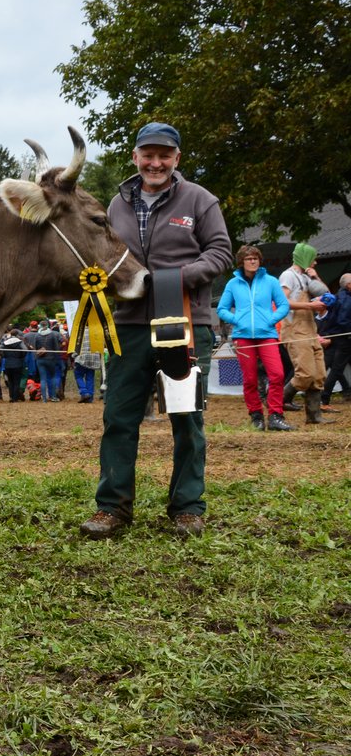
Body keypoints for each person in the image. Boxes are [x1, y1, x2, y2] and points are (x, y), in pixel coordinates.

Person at [81, 122, 232, 540]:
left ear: (177, 159)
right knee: (119, 418)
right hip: (128, 326)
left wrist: (175, 279)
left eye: (164, 155)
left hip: (185, 322)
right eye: (148, 154)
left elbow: (221, 252)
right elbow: (103, 253)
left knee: (186, 418)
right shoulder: (116, 204)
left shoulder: (199, 200)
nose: (155, 162)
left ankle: (186, 508)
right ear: (135, 157)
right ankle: (112, 508)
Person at [216, 245, 293, 431]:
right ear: (241, 262)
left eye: (255, 258)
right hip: (243, 337)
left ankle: (276, 415)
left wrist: (271, 320)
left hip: (267, 335)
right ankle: (256, 416)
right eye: (249, 259)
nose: (253, 261)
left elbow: (283, 305)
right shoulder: (233, 284)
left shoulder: (271, 281)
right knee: (250, 379)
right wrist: (237, 321)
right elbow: (222, 309)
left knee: (277, 374)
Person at [279, 243, 332, 423]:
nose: (315, 262)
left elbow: (327, 296)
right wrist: (310, 305)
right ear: (304, 257)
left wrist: (315, 277)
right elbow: (282, 302)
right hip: (295, 331)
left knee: (319, 375)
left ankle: (314, 416)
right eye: (312, 258)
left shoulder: (306, 277)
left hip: (310, 330)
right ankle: (276, 403)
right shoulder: (288, 276)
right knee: (305, 374)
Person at [320, 273, 351, 405]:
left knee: (336, 368)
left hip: (339, 336)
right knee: (337, 368)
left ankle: (325, 396)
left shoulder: (340, 295)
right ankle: (324, 397)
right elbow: (343, 320)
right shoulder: (346, 299)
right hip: (345, 337)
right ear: (349, 285)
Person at [35, 319, 65, 401]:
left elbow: (35, 348)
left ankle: (44, 398)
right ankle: (53, 396)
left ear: (40, 326)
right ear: (48, 325)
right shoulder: (52, 335)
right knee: (53, 377)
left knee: (43, 379)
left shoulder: (37, 336)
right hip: (51, 359)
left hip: (40, 359)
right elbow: (56, 348)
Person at [0, 328, 27, 401]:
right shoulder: (19, 342)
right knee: (16, 381)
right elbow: (25, 350)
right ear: (17, 334)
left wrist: (4, 355)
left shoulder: (6, 342)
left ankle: (11, 397)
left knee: (10, 382)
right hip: (18, 363)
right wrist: (21, 356)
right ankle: (15, 397)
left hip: (8, 364)